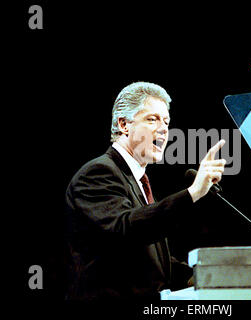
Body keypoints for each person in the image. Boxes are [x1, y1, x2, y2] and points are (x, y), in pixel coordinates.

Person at [64, 81, 226, 300]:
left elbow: (151, 259)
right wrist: (193, 193)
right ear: (124, 124)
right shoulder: (97, 173)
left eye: (166, 122)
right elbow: (126, 230)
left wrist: (203, 277)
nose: (163, 129)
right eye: (152, 119)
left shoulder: (138, 180)